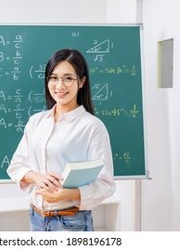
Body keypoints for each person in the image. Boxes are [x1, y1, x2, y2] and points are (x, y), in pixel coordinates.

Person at [7, 48, 116, 231]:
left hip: (71, 222)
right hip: (36, 219)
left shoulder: (92, 127)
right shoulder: (36, 122)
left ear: (81, 81)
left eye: (68, 78)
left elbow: (106, 184)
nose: (59, 86)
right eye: (54, 78)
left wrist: (65, 195)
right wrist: (37, 177)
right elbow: (16, 166)